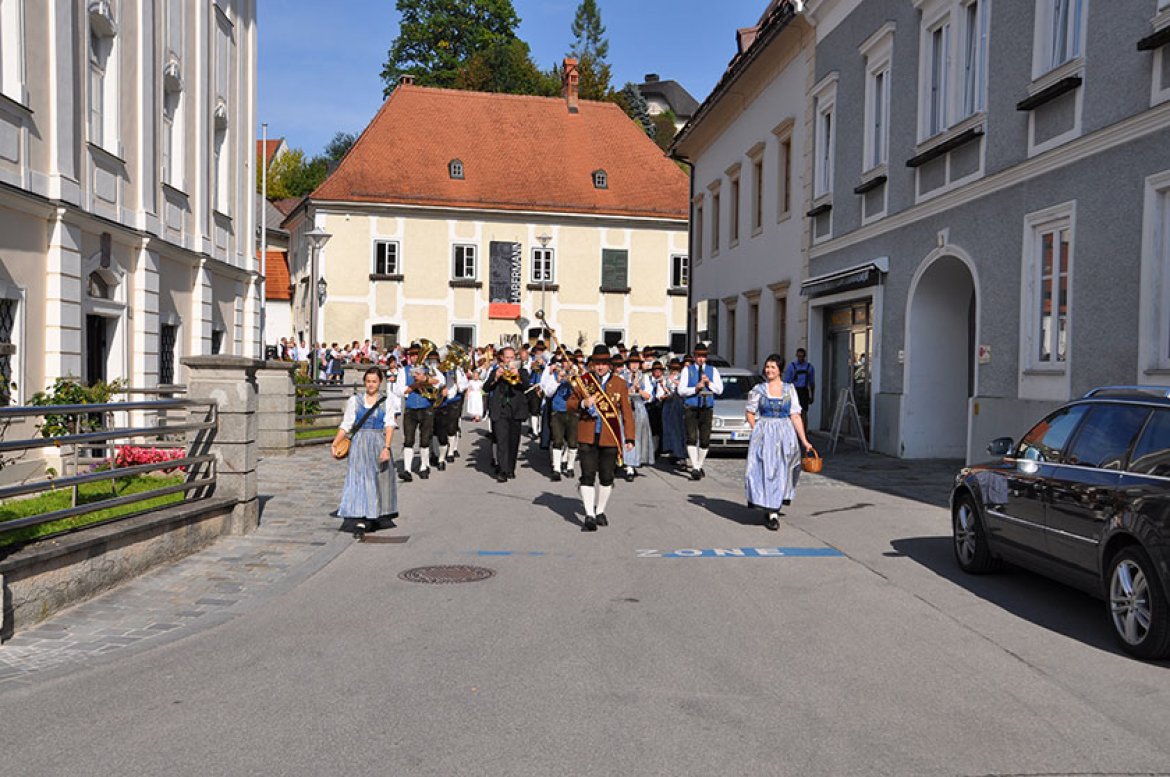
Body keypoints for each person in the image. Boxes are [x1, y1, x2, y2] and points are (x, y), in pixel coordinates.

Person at [566, 344, 635, 532]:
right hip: (588, 435)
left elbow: (627, 412)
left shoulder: (620, 384)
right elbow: (570, 404)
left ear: (609, 365)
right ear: (592, 364)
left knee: (606, 477)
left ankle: (600, 510)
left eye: (604, 363)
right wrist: (582, 402)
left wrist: (629, 437)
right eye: (597, 363)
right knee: (587, 475)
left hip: (609, 437)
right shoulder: (583, 382)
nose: (600, 367)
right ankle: (589, 515)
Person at [745, 353, 813, 530]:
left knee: (784, 469)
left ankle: (774, 505)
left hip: (785, 433)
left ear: (780, 370)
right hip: (765, 433)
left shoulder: (789, 389)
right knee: (767, 470)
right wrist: (757, 429)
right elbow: (750, 412)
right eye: (767, 367)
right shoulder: (758, 390)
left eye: (773, 367)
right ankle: (772, 513)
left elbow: (795, 415)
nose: (769, 370)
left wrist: (804, 441)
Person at [332, 367, 397, 534]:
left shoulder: (387, 401)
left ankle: (374, 513)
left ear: (380, 382)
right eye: (368, 381)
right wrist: (335, 442)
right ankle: (360, 515)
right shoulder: (355, 401)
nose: (371, 385)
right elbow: (346, 424)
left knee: (376, 479)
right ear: (364, 382)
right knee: (359, 478)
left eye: (374, 381)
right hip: (359, 443)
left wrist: (387, 447)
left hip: (377, 442)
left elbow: (389, 425)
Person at [483, 346, 529, 483]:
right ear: (502, 358)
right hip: (500, 410)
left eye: (512, 357)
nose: (509, 360)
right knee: (502, 440)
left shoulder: (522, 370)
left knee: (513, 441)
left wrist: (518, 376)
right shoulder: (495, 371)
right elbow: (486, 387)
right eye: (507, 357)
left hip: (516, 410)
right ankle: (502, 470)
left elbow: (526, 386)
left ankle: (510, 469)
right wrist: (496, 377)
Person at [677, 344, 724, 480]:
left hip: (706, 407)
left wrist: (709, 383)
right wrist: (695, 389)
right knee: (691, 437)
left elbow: (720, 390)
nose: (701, 359)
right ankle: (695, 467)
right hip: (691, 407)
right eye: (698, 356)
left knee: (705, 439)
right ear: (694, 356)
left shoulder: (712, 370)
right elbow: (681, 390)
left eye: (703, 356)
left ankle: (699, 464)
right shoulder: (687, 370)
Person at [394, 344, 441, 481]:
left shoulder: (429, 370)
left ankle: (423, 467)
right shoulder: (404, 371)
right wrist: (414, 385)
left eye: (417, 355)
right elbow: (398, 390)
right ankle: (407, 469)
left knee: (425, 439)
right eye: (412, 355)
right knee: (408, 439)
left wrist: (425, 379)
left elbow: (439, 383)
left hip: (426, 408)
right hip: (411, 409)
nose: (415, 358)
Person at [541, 355, 579, 481]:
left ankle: (570, 467)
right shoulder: (555, 375)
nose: (566, 364)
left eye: (569, 362)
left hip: (573, 411)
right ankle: (556, 469)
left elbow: (582, 392)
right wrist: (558, 380)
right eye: (564, 362)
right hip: (557, 412)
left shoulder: (577, 375)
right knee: (557, 440)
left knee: (573, 442)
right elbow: (548, 392)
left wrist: (576, 378)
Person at [622, 351, 654, 481]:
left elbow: (649, 397)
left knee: (639, 437)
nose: (634, 366)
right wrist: (629, 390)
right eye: (632, 363)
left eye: (636, 363)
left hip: (639, 408)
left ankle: (635, 462)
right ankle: (629, 466)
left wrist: (639, 389)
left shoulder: (644, 377)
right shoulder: (622, 376)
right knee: (628, 436)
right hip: (626, 408)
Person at [433, 353, 468, 469]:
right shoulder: (435, 371)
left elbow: (464, 385)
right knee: (438, 428)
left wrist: (458, 384)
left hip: (454, 400)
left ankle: (451, 451)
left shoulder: (456, 370)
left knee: (452, 426)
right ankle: (437, 453)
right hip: (440, 402)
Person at [783, 347, 816, 415]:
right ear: (797, 356)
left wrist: (812, 396)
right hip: (794, 391)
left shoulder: (809, 367)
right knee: (794, 412)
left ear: (805, 356)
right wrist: (786, 396)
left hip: (804, 391)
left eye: (802, 356)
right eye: (799, 356)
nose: (801, 358)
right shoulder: (791, 367)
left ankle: (804, 425)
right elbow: (787, 383)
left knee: (804, 412)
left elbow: (812, 383)